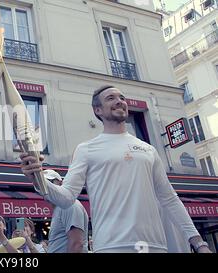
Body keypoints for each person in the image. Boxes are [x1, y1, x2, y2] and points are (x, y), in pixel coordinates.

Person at [20, 85, 212, 253]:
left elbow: (169, 199)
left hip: (154, 245)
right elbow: (66, 197)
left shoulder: (148, 150)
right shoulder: (86, 149)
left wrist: (199, 242)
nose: (119, 101)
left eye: (122, 98)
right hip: (111, 245)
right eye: (111, 98)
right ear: (98, 110)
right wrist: (37, 177)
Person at [43, 170, 89, 253]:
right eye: (43, 184)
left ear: (61, 183)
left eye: (50, 182)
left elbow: (76, 244)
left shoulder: (69, 205)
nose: (47, 186)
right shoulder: (61, 207)